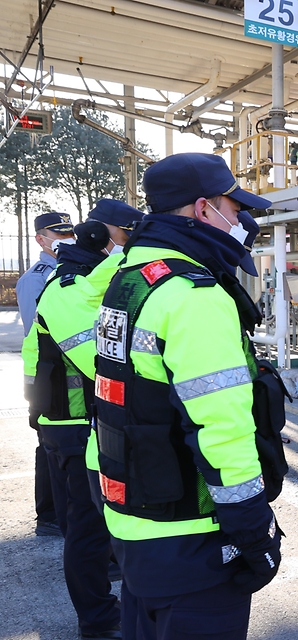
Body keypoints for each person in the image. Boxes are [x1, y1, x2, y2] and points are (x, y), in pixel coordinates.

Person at [93, 153, 281, 639]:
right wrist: (252, 528)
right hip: (191, 533)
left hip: (135, 524)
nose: (242, 219)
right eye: (233, 206)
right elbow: (221, 427)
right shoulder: (194, 296)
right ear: (203, 209)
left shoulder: (128, 280)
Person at [22, 214, 139, 640]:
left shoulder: (83, 280)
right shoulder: (66, 288)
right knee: (85, 530)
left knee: (92, 527)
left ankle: (104, 608)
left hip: (71, 420)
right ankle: (97, 620)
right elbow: (100, 363)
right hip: (70, 423)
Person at [17, 212, 74, 537]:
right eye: (59, 234)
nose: (66, 239)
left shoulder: (66, 272)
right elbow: (34, 334)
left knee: (57, 446)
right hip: (45, 375)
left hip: (60, 375)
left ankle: (54, 512)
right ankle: (49, 515)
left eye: (69, 233)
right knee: (48, 445)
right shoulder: (36, 279)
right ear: (41, 238)